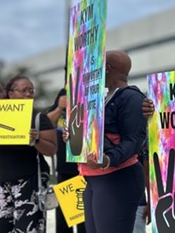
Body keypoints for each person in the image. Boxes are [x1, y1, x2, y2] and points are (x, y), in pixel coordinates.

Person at [72, 50, 147, 233]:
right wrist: (73, 134)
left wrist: (107, 159)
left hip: (117, 177)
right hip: (94, 178)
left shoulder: (131, 97)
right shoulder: (98, 99)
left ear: (106, 68)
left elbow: (135, 139)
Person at [0, 75, 57, 233]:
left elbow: (52, 150)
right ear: (10, 93)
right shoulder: (1, 117)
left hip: (30, 182)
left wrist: (36, 141)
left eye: (31, 90)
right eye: (24, 90)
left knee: (27, 229)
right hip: (3, 183)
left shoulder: (38, 118)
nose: (28, 93)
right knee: (0, 228)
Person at [46, 89, 86, 233]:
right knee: (63, 217)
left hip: (85, 168)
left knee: (84, 217)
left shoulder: (85, 97)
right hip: (65, 170)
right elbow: (46, 124)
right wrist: (60, 108)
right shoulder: (64, 93)